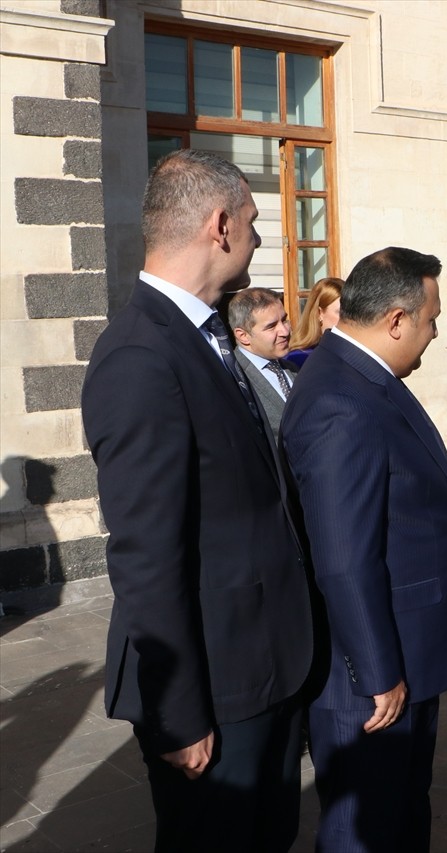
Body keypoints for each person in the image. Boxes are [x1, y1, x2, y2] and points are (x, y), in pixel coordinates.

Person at [80, 149, 313, 853]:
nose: (258, 237)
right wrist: (177, 714)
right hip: (212, 685)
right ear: (219, 225)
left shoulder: (200, 331)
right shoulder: (140, 354)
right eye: (252, 220)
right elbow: (146, 553)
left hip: (261, 660)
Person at [280, 247, 447, 853]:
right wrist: (378, 671)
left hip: (404, 650)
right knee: (362, 832)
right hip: (368, 676)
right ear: (396, 319)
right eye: (431, 318)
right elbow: (342, 556)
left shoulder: (364, 376)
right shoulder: (343, 399)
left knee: (399, 814)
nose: (435, 332)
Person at [229, 287, 298, 434]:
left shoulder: (293, 368)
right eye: (271, 326)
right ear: (243, 335)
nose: (285, 332)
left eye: (284, 320)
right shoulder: (231, 378)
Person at [284, 275, 343, 367]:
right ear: (319, 313)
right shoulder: (298, 358)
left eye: (351, 312)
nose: (348, 318)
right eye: (340, 312)